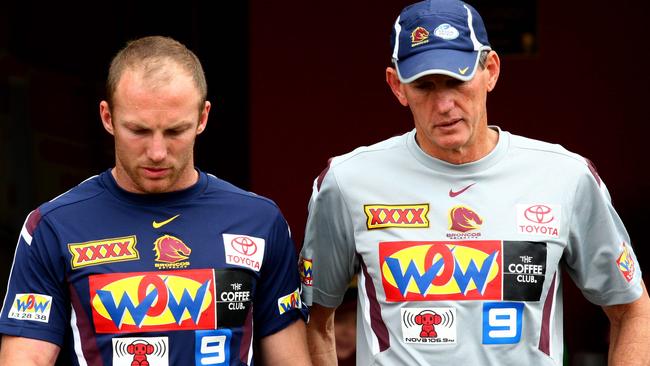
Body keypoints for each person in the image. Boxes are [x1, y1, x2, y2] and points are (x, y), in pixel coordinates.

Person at [299, 0, 650, 365]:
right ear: (397, 86)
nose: (444, 104)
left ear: (491, 71)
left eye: (457, 79)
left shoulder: (565, 176)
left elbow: (633, 310)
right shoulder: (348, 181)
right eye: (424, 86)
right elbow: (313, 321)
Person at [0, 35, 310, 365]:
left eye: (175, 131)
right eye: (139, 131)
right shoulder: (54, 226)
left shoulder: (259, 221)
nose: (157, 153)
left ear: (203, 118)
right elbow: (26, 358)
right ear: (107, 117)